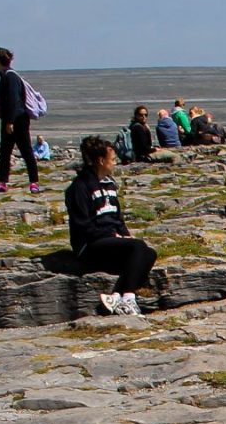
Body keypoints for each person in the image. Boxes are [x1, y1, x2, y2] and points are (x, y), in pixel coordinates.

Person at [65, 135, 158, 317]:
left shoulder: (109, 184)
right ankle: (128, 299)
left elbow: (117, 218)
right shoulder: (80, 187)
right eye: (113, 159)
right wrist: (111, 235)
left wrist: (124, 234)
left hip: (109, 241)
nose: (115, 163)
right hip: (88, 246)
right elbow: (83, 225)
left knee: (149, 253)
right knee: (137, 247)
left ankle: (117, 296)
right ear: (101, 160)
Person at [0, 47, 41, 194]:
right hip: (10, 119)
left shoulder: (10, 77)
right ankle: (2, 182)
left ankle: (34, 182)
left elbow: (14, 101)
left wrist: (10, 122)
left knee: (26, 151)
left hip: (17, 120)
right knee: (5, 152)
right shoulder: (6, 76)